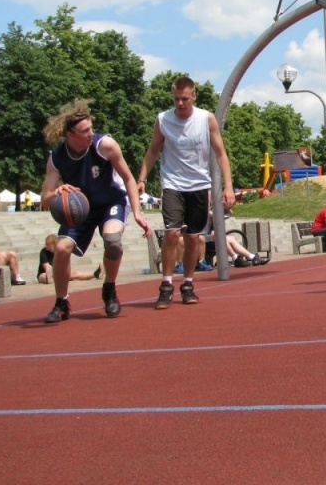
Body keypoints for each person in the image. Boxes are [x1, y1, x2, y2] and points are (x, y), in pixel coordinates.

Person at [40, 99, 152, 323]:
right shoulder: (57, 157)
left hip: (111, 202)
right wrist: (57, 192)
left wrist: (138, 212)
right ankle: (61, 302)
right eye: (85, 131)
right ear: (70, 135)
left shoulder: (105, 145)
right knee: (61, 248)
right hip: (81, 208)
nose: (91, 133)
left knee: (112, 240)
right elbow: (45, 198)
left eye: (91, 128)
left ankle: (109, 288)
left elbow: (129, 179)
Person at [138, 76, 235, 309]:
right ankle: (166, 285)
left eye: (184, 99)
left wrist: (228, 186)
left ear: (194, 96)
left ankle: (188, 283)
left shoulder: (206, 118)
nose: (180, 103)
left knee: (193, 237)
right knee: (172, 233)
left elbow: (221, 153)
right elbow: (153, 150)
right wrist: (141, 179)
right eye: (176, 99)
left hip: (199, 184)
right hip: (172, 183)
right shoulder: (163, 119)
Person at [37, 234, 102, 284]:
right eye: (46, 244)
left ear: (53, 244)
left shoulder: (60, 251)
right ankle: (50, 279)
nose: (46, 246)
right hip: (44, 273)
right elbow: (47, 267)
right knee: (45, 275)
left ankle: (95, 274)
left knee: (75, 274)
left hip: (59, 273)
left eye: (48, 244)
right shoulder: (43, 252)